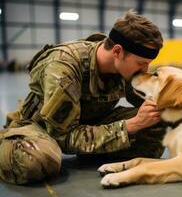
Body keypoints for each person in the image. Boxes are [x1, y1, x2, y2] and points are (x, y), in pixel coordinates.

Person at [0, 10, 166, 185]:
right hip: (45, 128)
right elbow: (64, 136)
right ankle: (9, 144)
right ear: (117, 51)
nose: (145, 71)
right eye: (141, 64)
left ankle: (88, 152)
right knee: (35, 161)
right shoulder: (63, 67)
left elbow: (149, 101)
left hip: (89, 123)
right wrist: (132, 125)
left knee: (158, 123)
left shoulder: (123, 66)